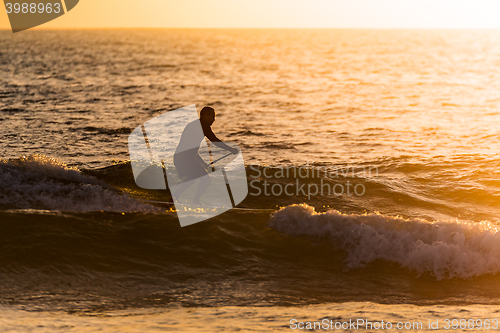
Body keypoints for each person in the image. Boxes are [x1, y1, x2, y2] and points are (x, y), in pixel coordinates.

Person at [172, 106, 238, 204]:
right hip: (185, 158)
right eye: (213, 117)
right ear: (206, 116)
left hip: (180, 157)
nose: (214, 120)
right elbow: (214, 141)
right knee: (206, 180)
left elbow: (190, 149)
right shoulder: (203, 125)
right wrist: (230, 149)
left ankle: (174, 197)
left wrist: (202, 162)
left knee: (192, 178)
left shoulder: (194, 124)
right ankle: (194, 201)